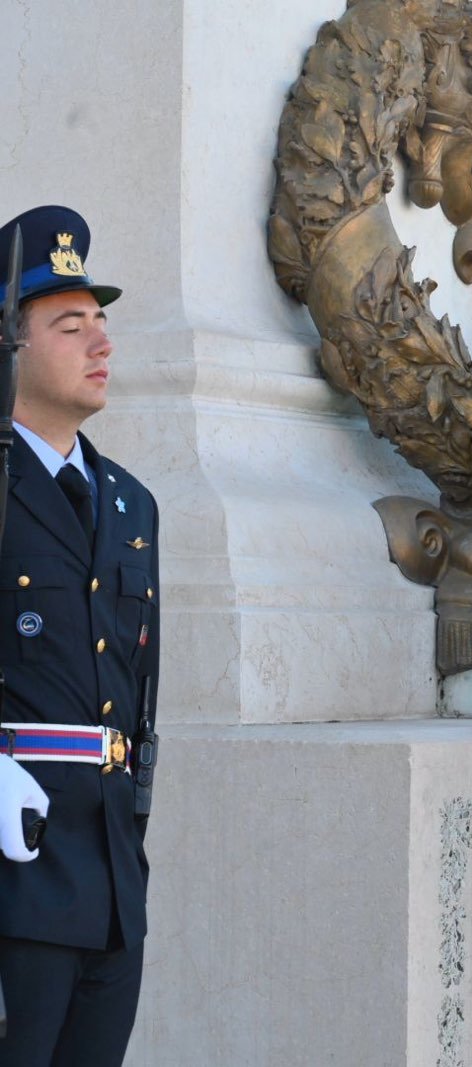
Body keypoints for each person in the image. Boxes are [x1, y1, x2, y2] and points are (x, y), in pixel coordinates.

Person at [0, 205, 161, 1066]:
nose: (101, 341)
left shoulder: (132, 505)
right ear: (9, 345)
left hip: (111, 879)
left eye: (100, 319)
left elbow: (140, 695)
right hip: (14, 874)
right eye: (70, 325)